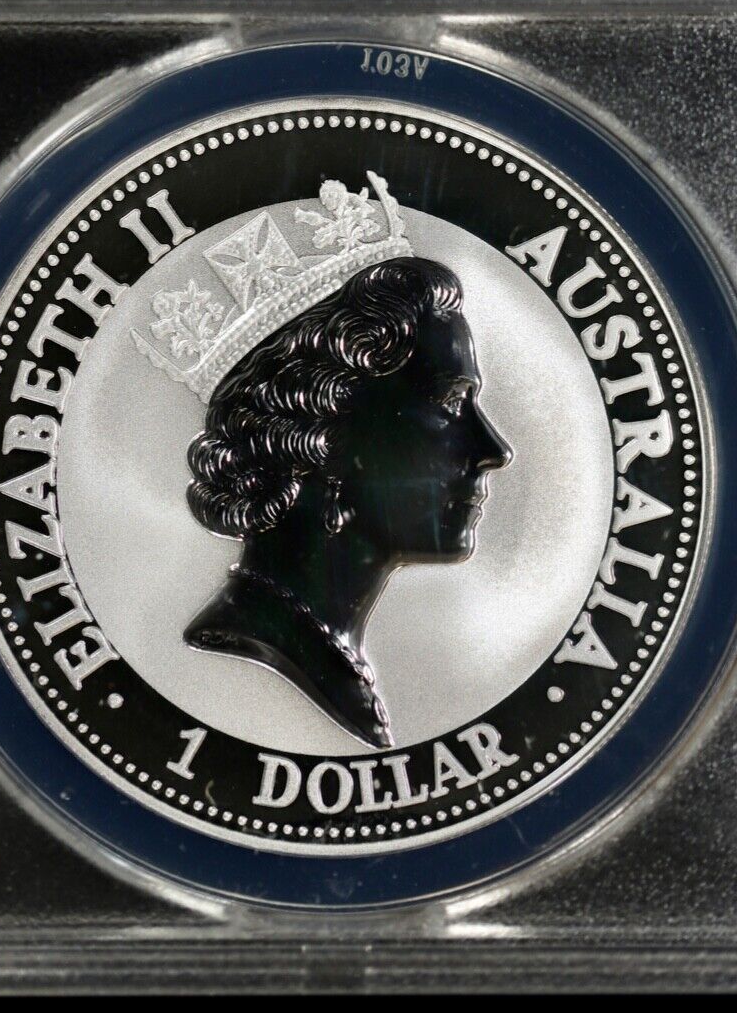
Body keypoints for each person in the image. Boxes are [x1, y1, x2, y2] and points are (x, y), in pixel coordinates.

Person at [182, 256, 511, 747]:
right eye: (449, 404)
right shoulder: (257, 649)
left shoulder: (327, 655)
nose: (493, 451)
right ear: (324, 439)